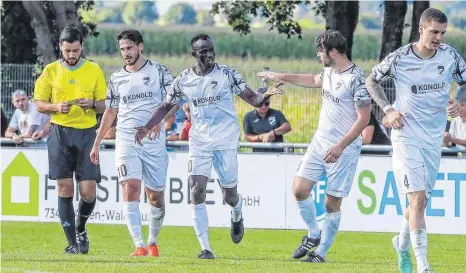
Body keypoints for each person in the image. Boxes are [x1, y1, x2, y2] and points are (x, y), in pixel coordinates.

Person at [134, 34, 284, 259]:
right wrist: (147, 127)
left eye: (211, 49)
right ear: (194, 54)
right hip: (200, 141)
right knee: (196, 189)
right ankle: (206, 249)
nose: (209, 53)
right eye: (203, 50)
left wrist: (267, 94)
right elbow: (166, 106)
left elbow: (252, 99)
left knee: (229, 196)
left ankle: (237, 213)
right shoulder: (183, 80)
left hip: (226, 140)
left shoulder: (227, 75)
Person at [258, 30, 371, 263]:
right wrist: (280, 75)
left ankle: (321, 254)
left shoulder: (356, 78)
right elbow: (312, 80)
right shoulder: (329, 71)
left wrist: (340, 146)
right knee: (299, 189)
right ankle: (313, 234)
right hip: (320, 142)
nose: (318, 56)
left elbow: (364, 118)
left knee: (332, 202)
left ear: (333, 52)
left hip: (344, 149)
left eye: (321, 51)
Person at [365, 8, 465, 273]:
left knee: (417, 203)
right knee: (417, 200)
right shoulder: (400, 58)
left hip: (434, 139)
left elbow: (465, 81)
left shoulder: (450, 56)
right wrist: (388, 110)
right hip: (406, 136)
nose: (439, 38)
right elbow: (371, 81)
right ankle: (423, 265)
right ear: (421, 29)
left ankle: (401, 243)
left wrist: (461, 102)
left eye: (443, 33)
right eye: (434, 32)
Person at [90, 29, 173, 257]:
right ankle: (139, 246)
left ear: (140, 46)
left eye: (129, 48)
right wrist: (97, 141)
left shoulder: (158, 71)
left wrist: (159, 122)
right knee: (130, 188)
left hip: (153, 140)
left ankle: (153, 241)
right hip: (126, 138)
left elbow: (173, 100)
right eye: (122, 49)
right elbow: (110, 110)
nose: (126, 53)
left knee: (155, 196)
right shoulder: (117, 77)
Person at [34, 26, 106, 254]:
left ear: (82, 47)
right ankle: (73, 243)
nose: (72, 55)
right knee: (65, 190)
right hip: (59, 134)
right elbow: (39, 103)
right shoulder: (50, 71)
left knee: (88, 192)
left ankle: (80, 227)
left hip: (86, 135)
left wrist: (92, 105)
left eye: (75, 50)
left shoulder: (94, 70)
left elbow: (105, 105)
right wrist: (56, 107)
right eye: (68, 51)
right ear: (61, 48)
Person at [243, 87, 292, 153]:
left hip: (277, 155)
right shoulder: (248, 117)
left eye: (266, 104)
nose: (263, 106)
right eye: (261, 104)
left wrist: (272, 133)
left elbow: (287, 127)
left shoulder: (277, 114)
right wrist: (261, 137)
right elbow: (248, 137)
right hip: (258, 155)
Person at [444, 85, 466, 150]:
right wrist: (445, 140)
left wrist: (453, 139)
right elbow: (449, 144)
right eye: (457, 104)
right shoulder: (455, 121)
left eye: (462, 105)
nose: (459, 108)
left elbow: (453, 140)